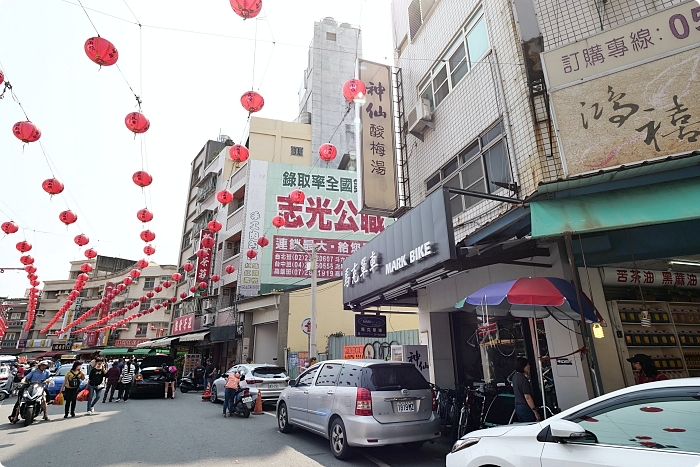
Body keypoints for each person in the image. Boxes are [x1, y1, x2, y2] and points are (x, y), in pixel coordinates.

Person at [512, 356, 541, 423]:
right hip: (525, 407)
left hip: (518, 406)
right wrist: (535, 412)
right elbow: (527, 397)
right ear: (523, 367)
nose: (529, 366)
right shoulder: (523, 379)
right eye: (527, 365)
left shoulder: (514, 376)